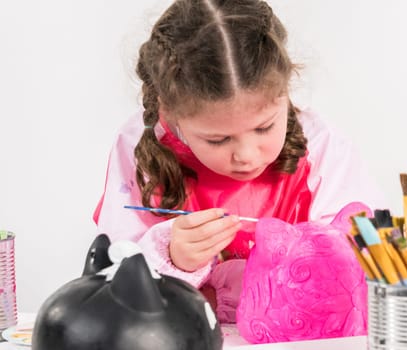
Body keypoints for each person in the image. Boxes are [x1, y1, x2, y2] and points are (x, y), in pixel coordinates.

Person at [93, 0, 385, 324]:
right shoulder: (141, 148)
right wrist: (170, 257)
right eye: (218, 139)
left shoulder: (320, 147)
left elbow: (364, 262)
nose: (246, 155)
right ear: (171, 112)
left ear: (285, 92)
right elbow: (111, 281)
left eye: (264, 127)